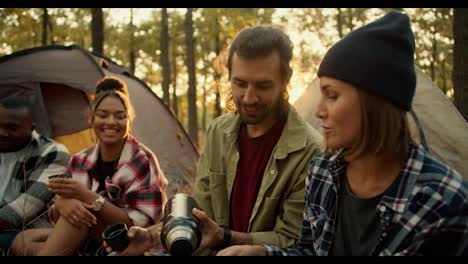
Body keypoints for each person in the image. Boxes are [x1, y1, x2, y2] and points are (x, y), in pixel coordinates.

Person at [217, 11, 468, 256]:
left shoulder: (442, 201)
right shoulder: (323, 172)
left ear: (375, 101)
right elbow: (309, 250)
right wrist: (262, 252)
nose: (319, 110)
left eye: (332, 95)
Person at [102, 25, 323, 256]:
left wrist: (226, 238)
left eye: (263, 86)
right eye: (239, 83)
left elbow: (292, 240)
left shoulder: (310, 152)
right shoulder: (220, 131)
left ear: (285, 80)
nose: (249, 97)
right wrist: (151, 236)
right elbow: (202, 215)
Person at [11, 76, 168, 256]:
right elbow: (56, 215)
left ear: (129, 121)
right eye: (102, 115)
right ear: (91, 119)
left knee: (80, 216)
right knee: (21, 240)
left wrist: (87, 197)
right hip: (86, 236)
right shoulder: (79, 160)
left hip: (128, 243)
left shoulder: (142, 160)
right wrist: (63, 204)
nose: (110, 122)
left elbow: (140, 226)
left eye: (120, 116)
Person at [0, 96, 70, 254]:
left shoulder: (53, 153)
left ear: (32, 127)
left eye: (11, 128)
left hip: (25, 232)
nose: (2, 133)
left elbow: (19, 213)